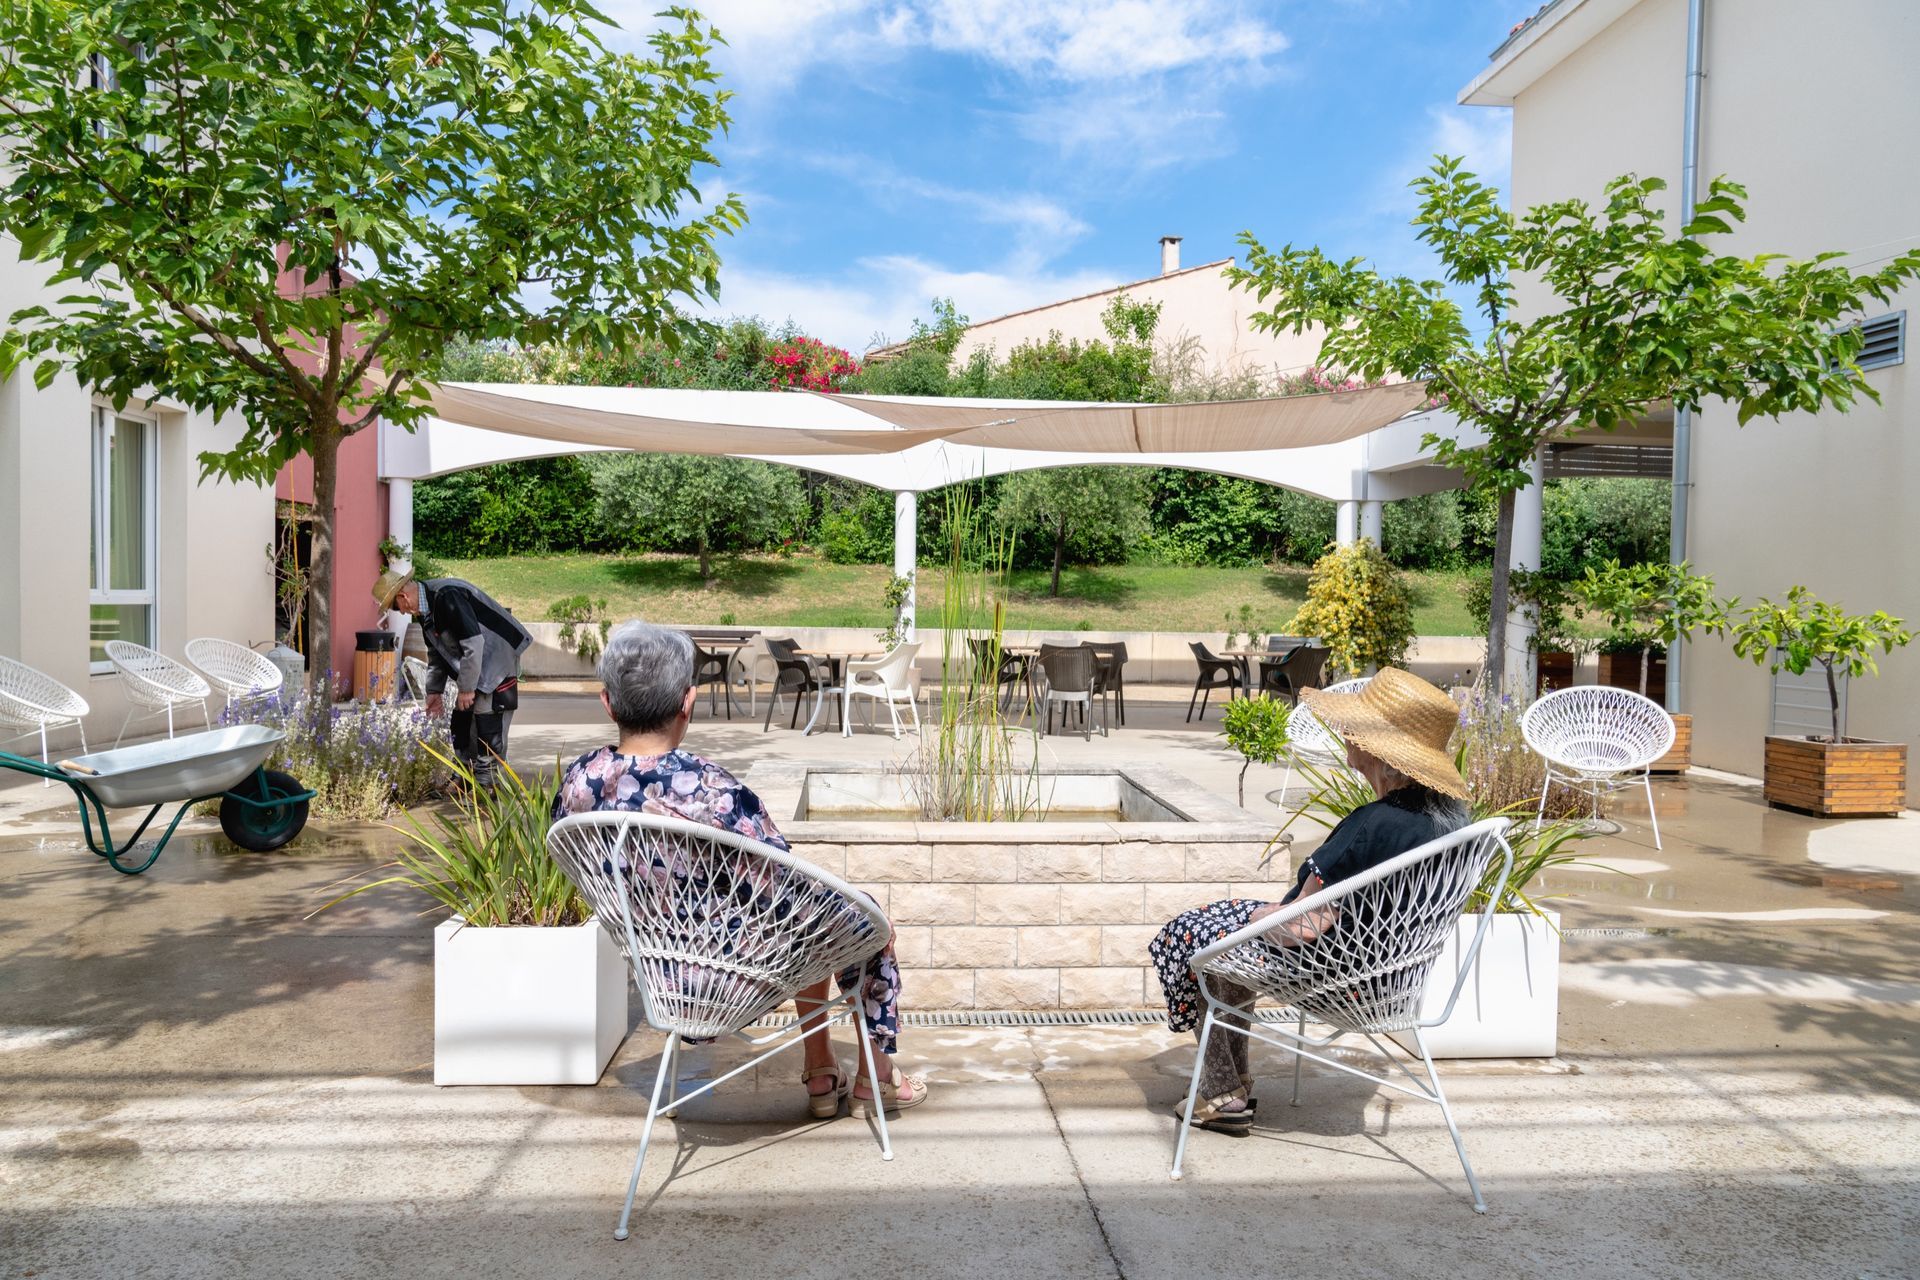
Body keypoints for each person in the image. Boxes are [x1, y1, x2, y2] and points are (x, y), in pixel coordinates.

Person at [554, 621, 929, 1120]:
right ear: (688, 702)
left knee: (801, 924)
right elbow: (789, 886)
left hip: (661, 972)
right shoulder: (712, 791)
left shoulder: (579, 783)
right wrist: (869, 920)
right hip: (732, 983)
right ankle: (876, 1078)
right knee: (853, 924)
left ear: (607, 702)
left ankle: (822, 1073)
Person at [1148, 667, 1471, 1135]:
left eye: (1355, 729)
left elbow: (1301, 926)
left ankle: (1221, 1094)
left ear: (1380, 751)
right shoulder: (1448, 828)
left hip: (1334, 975)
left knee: (1196, 936)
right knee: (1222, 933)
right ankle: (1229, 1084)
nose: (1346, 735)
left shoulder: (1373, 824)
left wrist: (1249, 918)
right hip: (1389, 978)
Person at [374, 569, 532, 788]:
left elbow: (474, 644)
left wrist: (467, 688)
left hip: (496, 656)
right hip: (476, 660)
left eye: (395, 607)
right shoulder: (427, 611)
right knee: (462, 716)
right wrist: (434, 692)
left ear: (403, 597)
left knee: (487, 717)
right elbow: (436, 654)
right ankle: (464, 776)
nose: (400, 613)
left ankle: (487, 785)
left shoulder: (447, 597)